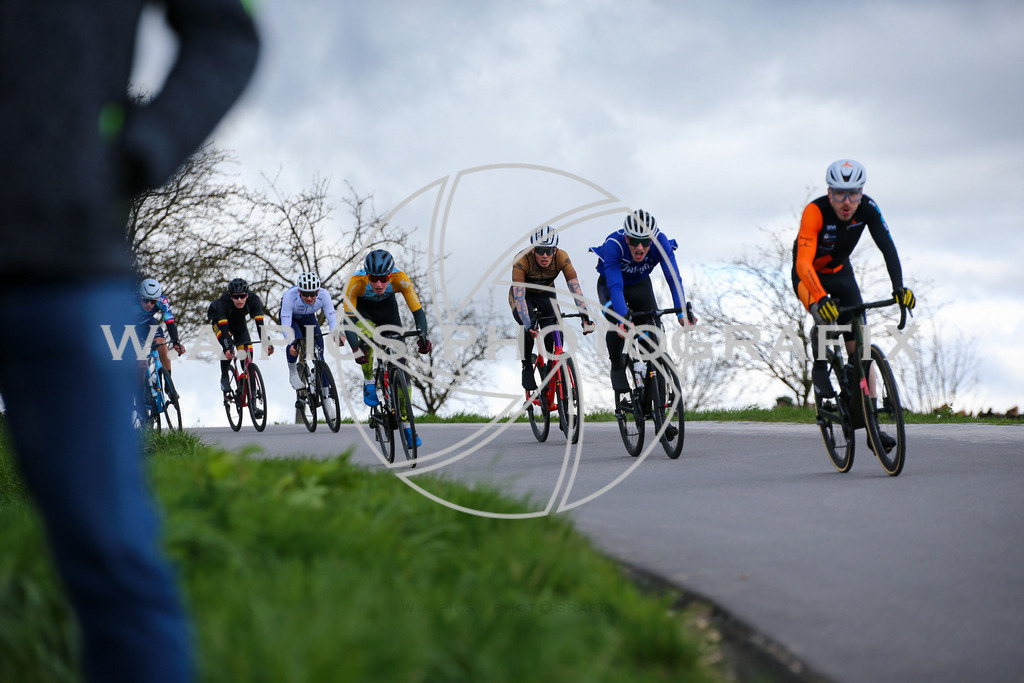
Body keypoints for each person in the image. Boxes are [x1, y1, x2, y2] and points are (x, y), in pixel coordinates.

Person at [0, 1, 258, 681]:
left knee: (112, 550)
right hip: (74, 276)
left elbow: (226, 29)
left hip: (66, 258)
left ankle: (159, 397)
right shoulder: (218, 300)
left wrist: (148, 145)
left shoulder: (208, 301)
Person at [791, 159, 916, 451]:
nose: (846, 202)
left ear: (861, 193)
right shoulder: (815, 211)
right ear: (829, 191)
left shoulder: (868, 209)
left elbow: (887, 246)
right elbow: (803, 262)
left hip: (842, 275)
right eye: (838, 194)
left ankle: (872, 425)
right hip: (808, 276)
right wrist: (821, 298)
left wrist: (899, 288)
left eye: (853, 194)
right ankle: (821, 366)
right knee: (824, 318)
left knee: (862, 348)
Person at [590, 210, 695, 408]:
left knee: (652, 336)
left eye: (645, 242)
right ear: (627, 238)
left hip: (639, 285)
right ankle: (618, 367)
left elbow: (673, 279)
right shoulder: (614, 245)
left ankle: (656, 404)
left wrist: (682, 311)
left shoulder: (661, 243)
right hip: (611, 286)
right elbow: (615, 287)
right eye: (635, 241)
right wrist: (622, 319)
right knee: (617, 322)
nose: (640, 247)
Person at [342, 249, 431, 448]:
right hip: (363, 312)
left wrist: (423, 335)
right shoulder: (356, 283)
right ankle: (369, 380)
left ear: (390, 275)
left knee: (403, 373)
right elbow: (348, 322)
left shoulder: (401, 279)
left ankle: (407, 427)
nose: (379, 284)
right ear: (367, 274)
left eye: (384, 279)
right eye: (374, 278)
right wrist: (356, 348)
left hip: (389, 312)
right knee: (369, 337)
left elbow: (417, 311)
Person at [509, 226, 595, 398]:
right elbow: (519, 297)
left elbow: (575, 288)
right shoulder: (521, 260)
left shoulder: (562, 257)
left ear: (555, 249)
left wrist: (585, 316)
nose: (545, 256)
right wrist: (528, 324)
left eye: (549, 251)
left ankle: (552, 368)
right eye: (541, 251)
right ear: (534, 250)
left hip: (546, 295)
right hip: (523, 296)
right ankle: (526, 366)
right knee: (528, 327)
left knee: (555, 334)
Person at [207, 278, 273, 415]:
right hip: (221, 324)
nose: (239, 300)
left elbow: (260, 325)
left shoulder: (254, 300)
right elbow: (224, 331)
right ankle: (224, 375)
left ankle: (253, 405)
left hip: (239, 325)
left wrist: (266, 342)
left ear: (247, 295)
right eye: (236, 297)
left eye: (242, 296)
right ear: (230, 296)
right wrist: (227, 347)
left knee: (248, 362)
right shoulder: (222, 304)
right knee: (229, 349)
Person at [281, 272, 340, 422]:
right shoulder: (289, 296)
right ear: (299, 291)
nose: (309, 298)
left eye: (312, 294)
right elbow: (286, 326)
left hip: (309, 318)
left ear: (317, 292)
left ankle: (326, 399)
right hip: (292, 319)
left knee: (321, 356)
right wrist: (292, 343)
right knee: (295, 342)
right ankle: (293, 372)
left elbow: (332, 317)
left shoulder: (324, 295)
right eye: (305, 294)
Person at [137, 277, 186, 376]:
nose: (149, 304)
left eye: (153, 302)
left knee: (163, 347)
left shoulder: (162, 300)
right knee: (141, 363)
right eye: (146, 300)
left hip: (148, 323)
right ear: (139, 296)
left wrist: (176, 342)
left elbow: (170, 322)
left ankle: (169, 385)